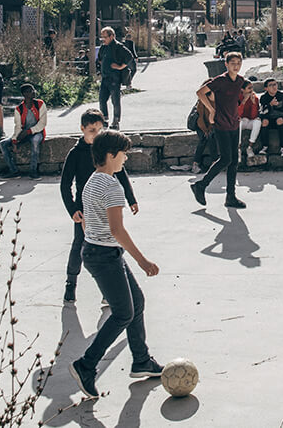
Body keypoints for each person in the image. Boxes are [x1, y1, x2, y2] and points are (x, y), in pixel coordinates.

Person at [67, 129, 163, 402]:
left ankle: (141, 360)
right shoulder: (111, 186)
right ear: (110, 155)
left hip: (99, 251)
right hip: (104, 255)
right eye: (123, 154)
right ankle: (86, 365)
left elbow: (89, 221)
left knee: (137, 302)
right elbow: (117, 229)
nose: (125, 159)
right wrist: (142, 261)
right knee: (122, 313)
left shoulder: (94, 179)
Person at [60, 110, 138, 304]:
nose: (96, 134)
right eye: (92, 130)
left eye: (99, 129)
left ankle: (108, 290)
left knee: (110, 243)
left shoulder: (105, 150)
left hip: (106, 205)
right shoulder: (76, 153)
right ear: (82, 129)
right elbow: (65, 184)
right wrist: (72, 209)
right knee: (80, 244)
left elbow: (121, 174)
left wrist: (131, 198)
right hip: (83, 208)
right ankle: (71, 283)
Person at [191, 51, 247, 209]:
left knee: (234, 161)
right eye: (233, 63)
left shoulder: (240, 81)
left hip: (234, 124)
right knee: (225, 159)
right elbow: (200, 92)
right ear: (226, 64)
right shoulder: (220, 80)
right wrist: (212, 110)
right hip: (221, 124)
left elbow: (234, 101)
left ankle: (231, 196)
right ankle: (201, 185)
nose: (236, 66)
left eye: (238, 63)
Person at [0, 83, 47, 178]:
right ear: (25, 94)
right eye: (30, 91)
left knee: (34, 141)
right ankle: (14, 171)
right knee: (3, 143)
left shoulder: (40, 104)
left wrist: (29, 131)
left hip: (37, 132)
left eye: (33, 90)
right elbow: (18, 126)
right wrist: (14, 140)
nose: (33, 92)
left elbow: (42, 123)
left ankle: (33, 171)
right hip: (23, 133)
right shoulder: (19, 109)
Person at [96, 27, 132, 129]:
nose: (103, 39)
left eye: (105, 37)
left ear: (112, 36)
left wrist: (120, 66)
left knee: (115, 100)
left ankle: (116, 121)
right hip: (105, 77)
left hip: (114, 78)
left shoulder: (118, 47)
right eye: (102, 37)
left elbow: (129, 57)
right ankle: (105, 120)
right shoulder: (103, 47)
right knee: (102, 99)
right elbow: (99, 58)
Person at [258, 78, 283, 163]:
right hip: (269, 120)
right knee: (264, 121)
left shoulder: (282, 96)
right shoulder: (264, 97)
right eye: (271, 85)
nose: (274, 87)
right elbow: (262, 113)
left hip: (281, 120)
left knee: (279, 120)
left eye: (275, 84)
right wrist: (270, 105)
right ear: (266, 88)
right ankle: (265, 146)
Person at [237, 80, 262, 167]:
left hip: (250, 121)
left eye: (252, 87)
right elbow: (238, 114)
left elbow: (254, 116)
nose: (251, 90)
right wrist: (244, 101)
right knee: (238, 122)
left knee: (258, 121)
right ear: (242, 89)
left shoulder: (255, 98)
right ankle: (238, 148)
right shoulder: (238, 97)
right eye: (249, 88)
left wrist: (254, 103)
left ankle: (250, 147)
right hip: (242, 121)